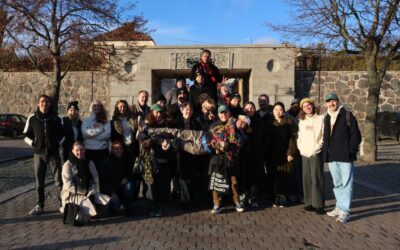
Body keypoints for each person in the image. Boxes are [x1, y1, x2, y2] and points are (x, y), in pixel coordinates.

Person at [322, 93, 361, 224]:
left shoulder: (347, 115)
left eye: (333, 101)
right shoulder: (326, 118)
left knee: (347, 184)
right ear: (326, 104)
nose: (331, 104)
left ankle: (345, 211)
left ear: (337, 101)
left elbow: (356, 136)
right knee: (337, 183)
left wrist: (351, 151)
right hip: (332, 157)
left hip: (345, 157)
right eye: (328, 102)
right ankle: (339, 207)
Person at [23, 94, 64, 215]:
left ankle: (62, 204)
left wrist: (57, 143)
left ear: (50, 104)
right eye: (42, 101)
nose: (44, 104)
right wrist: (33, 144)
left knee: (58, 181)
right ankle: (40, 205)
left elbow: (63, 135)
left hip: (54, 154)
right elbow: (25, 135)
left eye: (47, 102)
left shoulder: (56, 118)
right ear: (38, 103)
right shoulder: (32, 118)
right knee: (39, 181)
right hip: (38, 154)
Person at [60, 142, 110, 225]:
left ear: (84, 150)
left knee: (106, 200)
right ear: (73, 151)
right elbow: (68, 185)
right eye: (77, 150)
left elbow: (94, 180)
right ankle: (67, 208)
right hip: (72, 194)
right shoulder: (67, 165)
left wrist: (91, 191)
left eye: (81, 150)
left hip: (88, 192)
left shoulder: (90, 163)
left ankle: (91, 209)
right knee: (82, 218)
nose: (79, 152)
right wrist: (84, 192)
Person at [208, 105, 246, 214]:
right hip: (218, 158)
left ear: (228, 113)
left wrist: (228, 145)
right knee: (217, 182)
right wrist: (219, 146)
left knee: (234, 182)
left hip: (231, 157)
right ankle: (217, 204)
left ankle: (237, 202)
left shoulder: (235, 125)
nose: (223, 115)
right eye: (221, 113)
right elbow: (209, 141)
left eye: (225, 113)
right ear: (218, 114)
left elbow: (241, 141)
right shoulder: (213, 126)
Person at [297, 98, 325, 214]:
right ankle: (309, 202)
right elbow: (300, 136)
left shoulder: (321, 118)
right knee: (306, 178)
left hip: (316, 152)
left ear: (313, 106)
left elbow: (324, 135)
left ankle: (318, 204)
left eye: (308, 105)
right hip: (305, 152)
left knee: (317, 178)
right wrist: (300, 148)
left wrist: (318, 147)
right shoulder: (302, 120)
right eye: (304, 107)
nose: (307, 108)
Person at [268, 102, 298, 208]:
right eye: (276, 109)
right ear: (273, 111)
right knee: (275, 175)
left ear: (283, 111)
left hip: (285, 154)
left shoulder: (289, 121)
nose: (278, 111)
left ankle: (284, 198)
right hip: (274, 154)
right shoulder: (270, 122)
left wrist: (291, 152)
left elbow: (293, 138)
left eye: (280, 109)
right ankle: (277, 198)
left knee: (285, 175)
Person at [81, 100, 111, 191]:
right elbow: (85, 133)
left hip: (102, 151)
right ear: (91, 108)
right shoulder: (86, 120)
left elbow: (107, 134)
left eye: (98, 106)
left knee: (103, 176)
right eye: (94, 106)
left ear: (101, 108)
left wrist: (92, 136)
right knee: (89, 175)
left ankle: (104, 196)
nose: (96, 108)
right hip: (89, 151)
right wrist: (100, 129)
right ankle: (90, 196)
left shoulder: (106, 120)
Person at [101, 140, 136, 216]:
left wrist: (127, 178)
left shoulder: (128, 159)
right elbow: (104, 181)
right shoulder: (107, 162)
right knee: (113, 209)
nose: (119, 150)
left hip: (124, 187)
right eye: (116, 149)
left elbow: (133, 173)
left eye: (120, 148)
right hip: (113, 190)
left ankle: (129, 208)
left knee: (129, 186)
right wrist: (111, 193)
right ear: (112, 150)